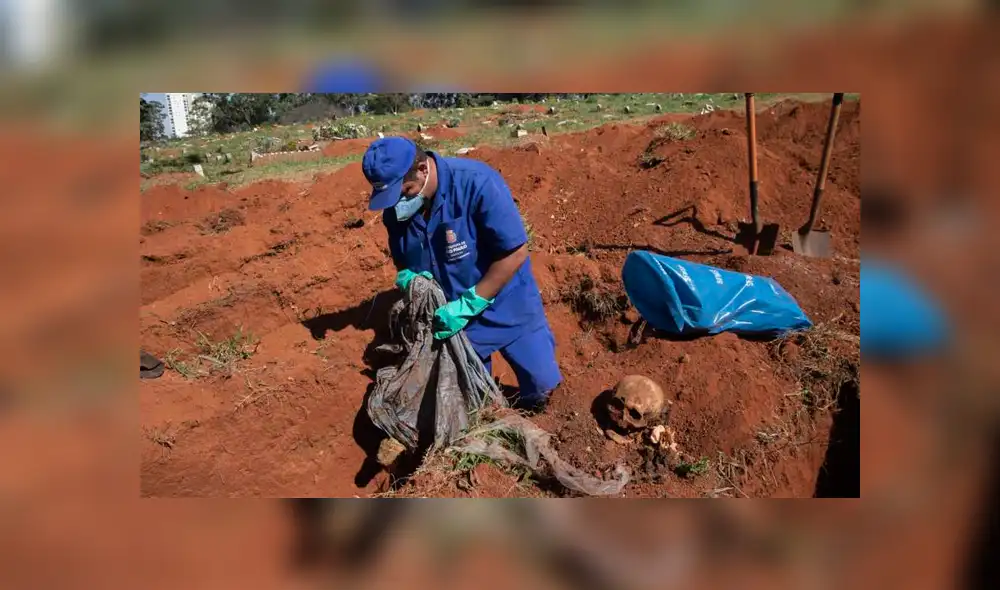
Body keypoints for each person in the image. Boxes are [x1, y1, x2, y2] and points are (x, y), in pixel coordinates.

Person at [362, 136, 562, 413]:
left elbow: (515, 252)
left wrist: (470, 303)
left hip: (508, 306)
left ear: (423, 168)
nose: (398, 200)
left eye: (404, 190)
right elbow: (404, 259)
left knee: (545, 390)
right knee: (475, 406)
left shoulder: (477, 182)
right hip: (456, 324)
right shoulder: (397, 211)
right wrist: (408, 277)